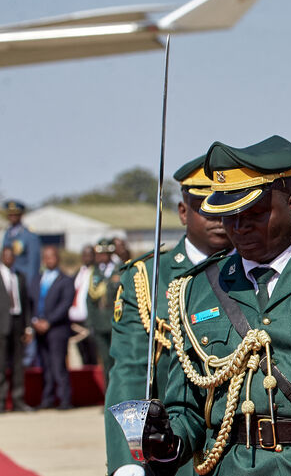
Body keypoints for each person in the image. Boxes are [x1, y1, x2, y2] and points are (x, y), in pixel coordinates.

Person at [139, 135, 291, 476]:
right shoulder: (196, 290)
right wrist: (169, 440)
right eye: (229, 216)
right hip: (234, 467)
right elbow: (188, 409)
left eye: (254, 213)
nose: (239, 228)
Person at [105, 156, 233, 476]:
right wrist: (129, 462)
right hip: (175, 458)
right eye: (205, 205)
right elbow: (132, 373)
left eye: (226, 204)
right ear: (182, 211)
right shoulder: (148, 278)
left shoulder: (258, 271)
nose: (217, 216)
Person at [30, 246, 75, 409]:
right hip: (39, 328)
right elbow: (31, 301)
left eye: (52, 257)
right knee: (45, 365)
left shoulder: (66, 280)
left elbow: (65, 304)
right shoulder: (37, 279)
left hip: (57, 329)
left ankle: (64, 399)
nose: (49, 260)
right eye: (46, 257)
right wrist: (34, 321)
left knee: (58, 365)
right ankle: (47, 399)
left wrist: (49, 321)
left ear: (57, 258)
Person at [0, 246, 33, 412]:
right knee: (1, 364)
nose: (9, 259)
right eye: (6, 256)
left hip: (18, 324)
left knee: (18, 365)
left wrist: (28, 327)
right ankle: (1, 401)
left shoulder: (19, 276)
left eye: (11, 256)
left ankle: (18, 400)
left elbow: (26, 304)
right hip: (2, 325)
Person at [87, 238, 121, 386]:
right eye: (99, 254)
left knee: (117, 360)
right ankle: (109, 396)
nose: (102, 257)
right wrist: (90, 323)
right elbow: (90, 300)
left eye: (105, 254)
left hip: (115, 322)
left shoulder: (119, 269)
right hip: (100, 323)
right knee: (105, 362)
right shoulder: (95, 271)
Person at [69, 244, 98, 366]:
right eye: (84, 255)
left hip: (89, 319)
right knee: (80, 354)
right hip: (75, 319)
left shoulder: (96, 274)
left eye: (90, 255)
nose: (87, 258)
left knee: (92, 354)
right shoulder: (78, 273)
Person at [2, 200, 41, 283]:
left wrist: (30, 284)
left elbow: (33, 263)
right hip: (9, 279)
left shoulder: (29, 235)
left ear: (21, 215)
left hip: (24, 279)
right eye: (10, 214)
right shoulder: (7, 234)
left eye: (15, 214)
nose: (12, 217)